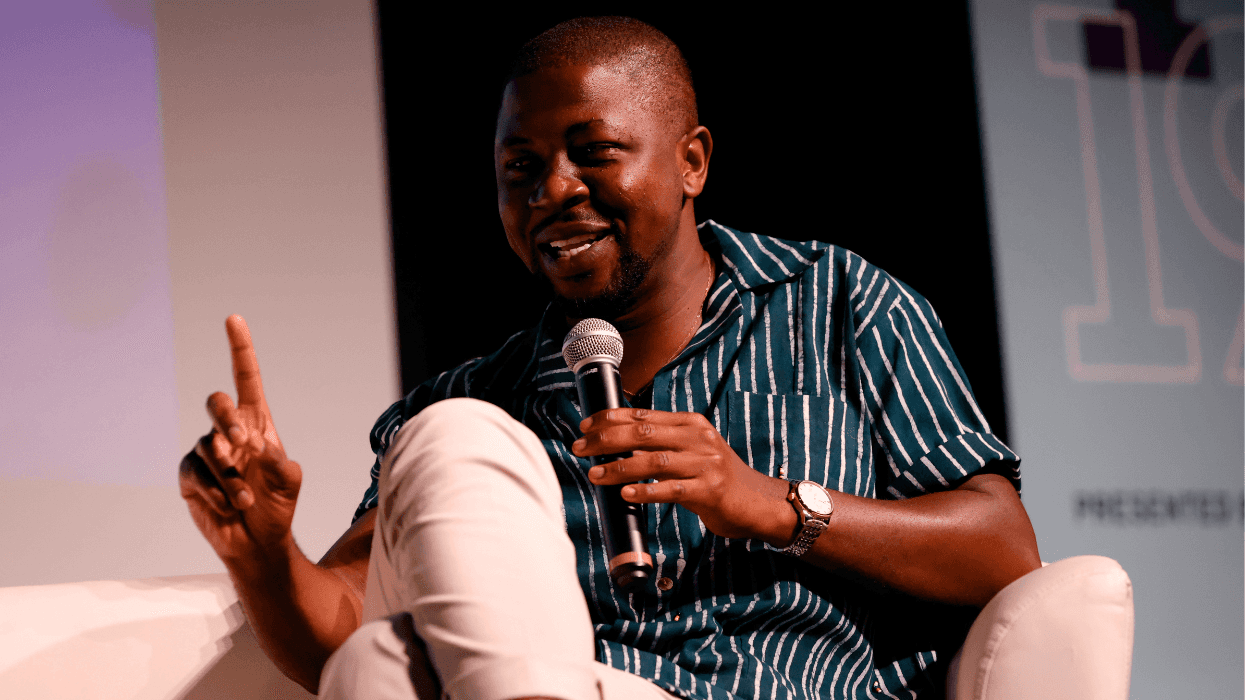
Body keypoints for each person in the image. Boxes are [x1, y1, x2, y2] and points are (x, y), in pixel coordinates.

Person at [178, 16, 1041, 700]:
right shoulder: (476, 407)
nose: (552, 190)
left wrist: (768, 502)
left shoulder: (837, 301)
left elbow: (1004, 549)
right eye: (520, 167)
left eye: (592, 153)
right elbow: (339, 624)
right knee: (380, 650)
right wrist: (260, 550)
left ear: (690, 161)